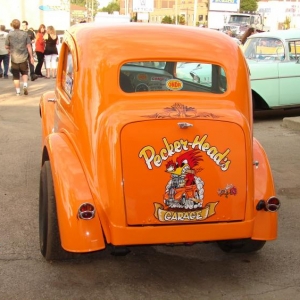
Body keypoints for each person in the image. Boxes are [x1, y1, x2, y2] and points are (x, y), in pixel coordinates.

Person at [5, 19, 35, 96]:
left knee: (16, 76)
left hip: (14, 58)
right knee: (24, 72)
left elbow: (6, 46)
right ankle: (25, 85)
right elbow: (29, 46)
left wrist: (9, 50)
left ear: (12, 25)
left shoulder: (9, 34)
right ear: (19, 25)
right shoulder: (25, 34)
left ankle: (18, 92)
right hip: (24, 57)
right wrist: (31, 56)